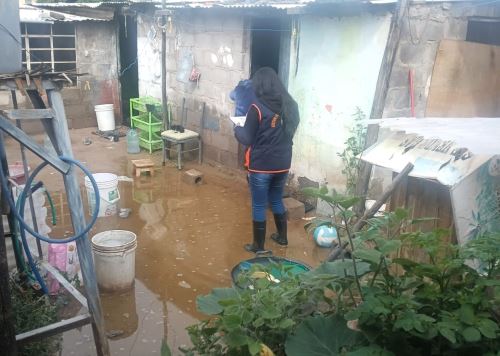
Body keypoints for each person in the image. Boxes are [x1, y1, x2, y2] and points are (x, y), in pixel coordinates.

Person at [234, 67, 300, 253]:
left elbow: (246, 138)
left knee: (259, 204)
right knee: (277, 199)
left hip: (262, 165)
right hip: (283, 163)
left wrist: (237, 127)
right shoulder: (291, 106)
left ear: (260, 85)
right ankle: (282, 237)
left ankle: (258, 246)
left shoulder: (257, 108)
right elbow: (287, 132)